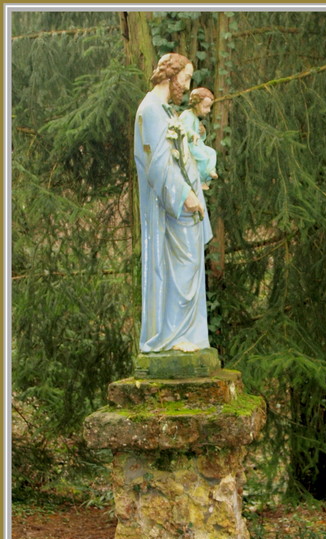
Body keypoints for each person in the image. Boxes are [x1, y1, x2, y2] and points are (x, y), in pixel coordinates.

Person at [134, 53, 213, 354]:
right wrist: (185, 194)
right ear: (172, 75)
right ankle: (173, 334)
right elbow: (158, 165)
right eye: (186, 78)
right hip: (173, 207)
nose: (188, 85)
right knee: (183, 265)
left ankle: (187, 333)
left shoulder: (165, 111)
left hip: (181, 205)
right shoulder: (151, 110)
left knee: (190, 264)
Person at [180, 87, 218, 190]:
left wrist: (202, 133)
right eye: (206, 107)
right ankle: (200, 180)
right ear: (196, 104)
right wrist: (192, 134)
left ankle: (209, 172)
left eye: (209, 107)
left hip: (197, 144)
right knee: (203, 157)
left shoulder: (196, 119)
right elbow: (184, 128)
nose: (209, 110)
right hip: (189, 145)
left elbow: (200, 137)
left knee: (212, 152)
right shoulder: (187, 115)